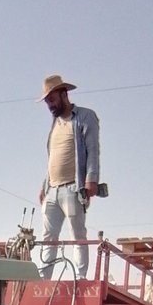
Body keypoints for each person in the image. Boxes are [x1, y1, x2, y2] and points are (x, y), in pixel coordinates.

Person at [37, 73, 101, 279]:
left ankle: (80, 278)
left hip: (74, 187)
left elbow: (92, 150)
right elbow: (53, 157)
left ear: (64, 94)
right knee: (48, 237)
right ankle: (44, 280)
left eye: (52, 99)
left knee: (77, 234)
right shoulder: (54, 123)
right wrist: (44, 186)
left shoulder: (84, 116)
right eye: (47, 102)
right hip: (52, 189)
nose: (50, 105)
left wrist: (92, 179)